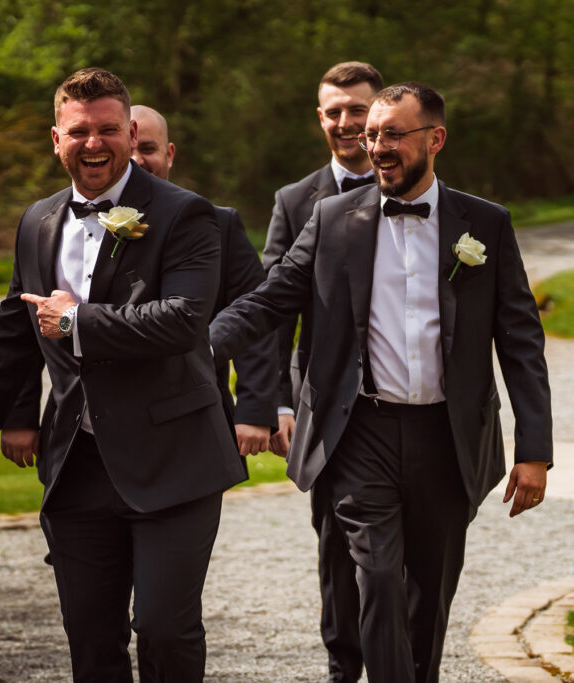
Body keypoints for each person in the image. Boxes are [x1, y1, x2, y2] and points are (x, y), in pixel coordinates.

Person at [210, 82, 551, 682]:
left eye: (393, 134)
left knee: (430, 593)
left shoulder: (486, 225)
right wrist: (195, 344)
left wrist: (535, 452)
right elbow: (269, 301)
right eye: (372, 135)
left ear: (434, 138)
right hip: (359, 432)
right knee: (378, 581)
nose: (377, 147)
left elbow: (520, 341)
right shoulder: (334, 217)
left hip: (448, 437)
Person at [0, 67, 245, 681]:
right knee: (91, 640)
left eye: (108, 129)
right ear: (56, 139)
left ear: (132, 134)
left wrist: (79, 321)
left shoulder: (186, 215)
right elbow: (12, 333)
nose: (94, 143)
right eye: (79, 131)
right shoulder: (37, 221)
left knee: (165, 628)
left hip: (173, 458)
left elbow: (184, 321)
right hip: (76, 466)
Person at [0, 104, 278, 466]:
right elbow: (28, 322)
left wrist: (255, 408)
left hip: (181, 427)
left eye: (148, 149)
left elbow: (251, 317)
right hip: (80, 432)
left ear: (169, 153)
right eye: (132, 150)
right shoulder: (52, 223)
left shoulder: (214, 223)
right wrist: (18, 416)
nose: (136, 160)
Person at [261, 61, 383, 682]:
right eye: (333, 112)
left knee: (404, 558)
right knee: (336, 547)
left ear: (381, 114)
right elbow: (274, 312)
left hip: (411, 407)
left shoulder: (432, 198)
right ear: (320, 118)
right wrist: (276, 402)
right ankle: (343, 669)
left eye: (357, 111)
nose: (345, 124)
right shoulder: (294, 201)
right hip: (326, 407)